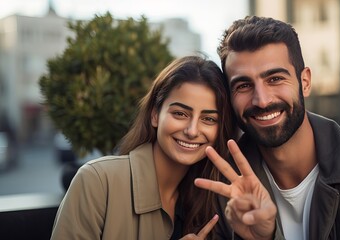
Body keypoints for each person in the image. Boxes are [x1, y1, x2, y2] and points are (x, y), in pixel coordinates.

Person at [195, 16, 340, 239]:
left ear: (305, 82)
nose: (262, 100)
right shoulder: (220, 189)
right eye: (243, 85)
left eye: (275, 79)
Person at [50, 55, 237, 239]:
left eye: (208, 119)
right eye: (180, 113)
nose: (192, 130)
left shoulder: (211, 201)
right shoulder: (97, 181)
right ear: (155, 114)